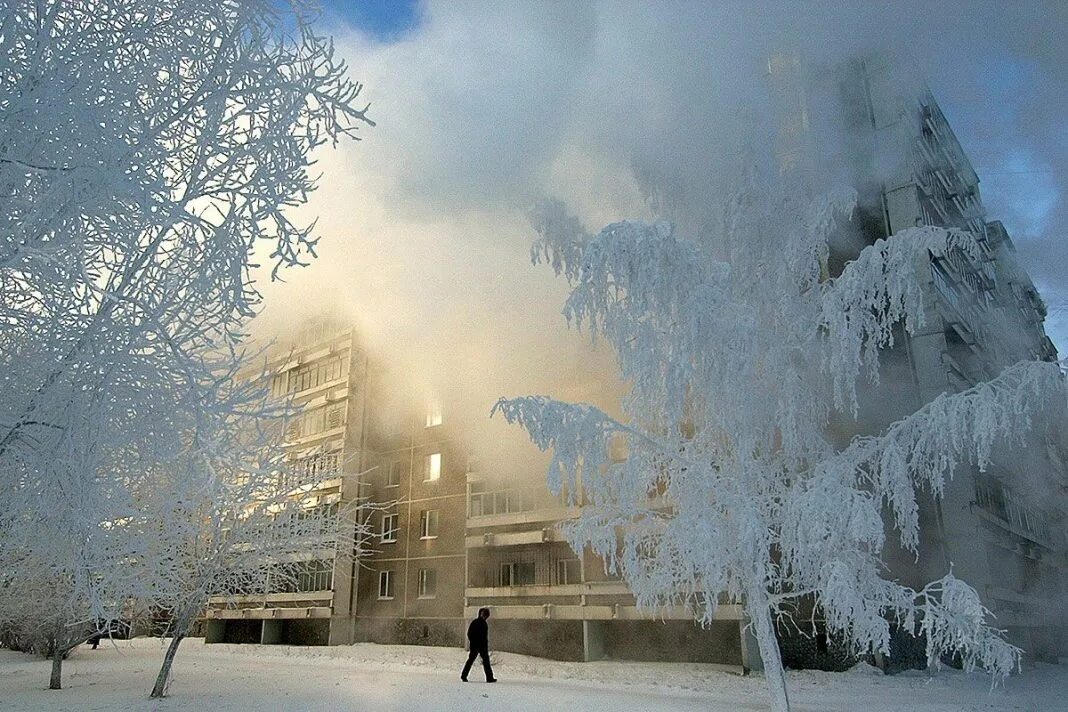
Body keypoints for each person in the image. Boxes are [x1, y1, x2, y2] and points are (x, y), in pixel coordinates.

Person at [460, 607, 496, 683]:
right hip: (478, 646)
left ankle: (464, 676)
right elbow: (470, 634)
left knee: (474, 661)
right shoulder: (479, 623)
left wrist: (474, 642)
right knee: (482, 661)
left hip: (478, 646)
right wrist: (475, 642)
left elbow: (471, 634)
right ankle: (489, 678)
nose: (484, 617)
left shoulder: (478, 623)